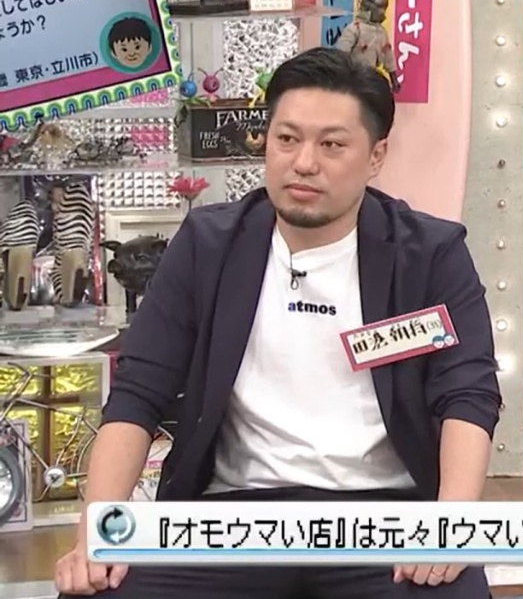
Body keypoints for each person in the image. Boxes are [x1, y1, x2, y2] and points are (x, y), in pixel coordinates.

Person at [55, 48, 500, 598]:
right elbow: (137, 393)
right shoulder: (208, 245)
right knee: (99, 591)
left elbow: (467, 394)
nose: (304, 163)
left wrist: (450, 523)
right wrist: (97, 534)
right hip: (230, 519)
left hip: (385, 520)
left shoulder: (429, 253)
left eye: (332, 145)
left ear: (376, 156)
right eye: (287, 139)